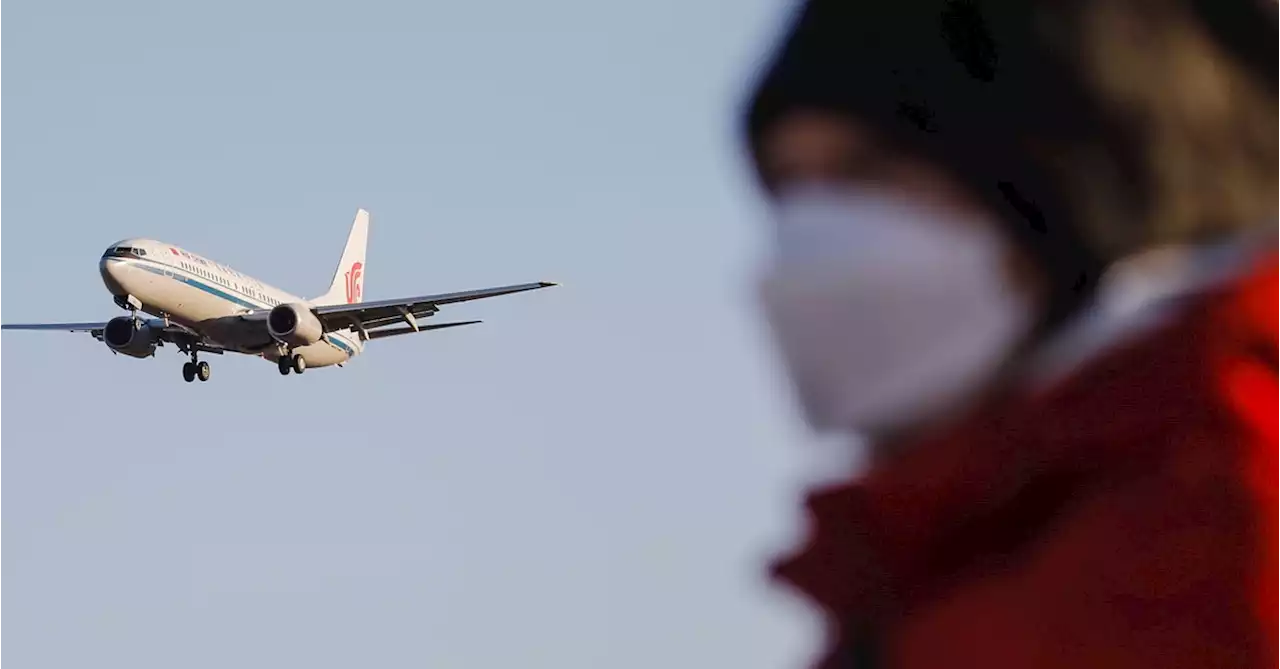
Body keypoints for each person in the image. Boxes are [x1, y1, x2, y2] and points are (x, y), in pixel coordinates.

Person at [742, 0, 1280, 666]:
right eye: (789, 186)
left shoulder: (1209, 524)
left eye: (869, 170)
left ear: (1048, 184)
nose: (815, 237)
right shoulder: (939, 556)